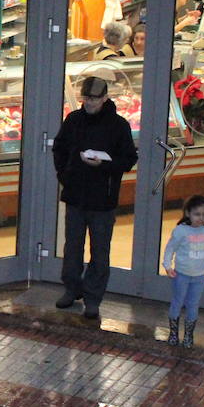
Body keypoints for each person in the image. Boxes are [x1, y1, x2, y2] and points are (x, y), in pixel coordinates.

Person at [52, 76, 138, 319]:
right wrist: (64, 175)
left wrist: (104, 164)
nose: (88, 103)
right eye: (86, 98)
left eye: (94, 99)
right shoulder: (74, 120)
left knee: (100, 251)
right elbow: (59, 148)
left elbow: (129, 159)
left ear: (105, 98)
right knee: (72, 247)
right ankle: (71, 288)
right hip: (75, 194)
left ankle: (93, 298)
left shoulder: (118, 125)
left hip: (103, 198)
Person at [162, 195, 204, 349]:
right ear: (188, 213)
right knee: (177, 302)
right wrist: (167, 266)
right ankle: (173, 333)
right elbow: (170, 248)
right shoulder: (181, 231)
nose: (201, 218)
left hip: (199, 275)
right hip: (181, 274)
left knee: (193, 305)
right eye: (196, 214)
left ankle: (188, 335)